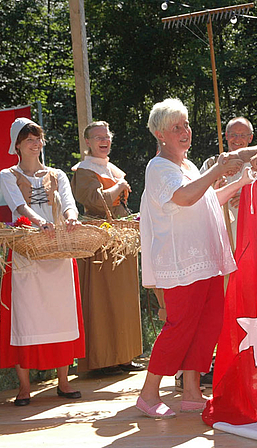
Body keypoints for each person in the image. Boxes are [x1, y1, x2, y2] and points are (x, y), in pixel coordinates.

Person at [137, 98, 250, 418]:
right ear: (160, 134)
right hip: (180, 262)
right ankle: (148, 394)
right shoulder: (159, 167)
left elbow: (207, 201)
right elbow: (185, 198)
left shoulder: (186, 166)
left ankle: (191, 391)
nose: (185, 131)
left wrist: (239, 181)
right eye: (176, 127)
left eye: (185, 124)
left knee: (208, 324)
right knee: (179, 327)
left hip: (206, 259)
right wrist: (217, 168)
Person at [0, 117, 84, 406]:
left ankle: (63, 381)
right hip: (26, 250)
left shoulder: (57, 174)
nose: (36, 144)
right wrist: (39, 223)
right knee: (25, 315)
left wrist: (71, 218)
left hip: (58, 249)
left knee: (61, 312)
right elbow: (18, 205)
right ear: (18, 145)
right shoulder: (7, 175)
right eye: (29, 139)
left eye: (38, 138)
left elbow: (68, 202)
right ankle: (24, 387)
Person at [70, 121, 144, 375]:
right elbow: (96, 202)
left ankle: (124, 356)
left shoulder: (112, 168)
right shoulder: (84, 170)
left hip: (120, 239)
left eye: (107, 136)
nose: (104, 140)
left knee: (124, 298)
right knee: (103, 300)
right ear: (87, 143)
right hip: (100, 241)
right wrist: (120, 187)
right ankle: (101, 360)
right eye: (97, 137)